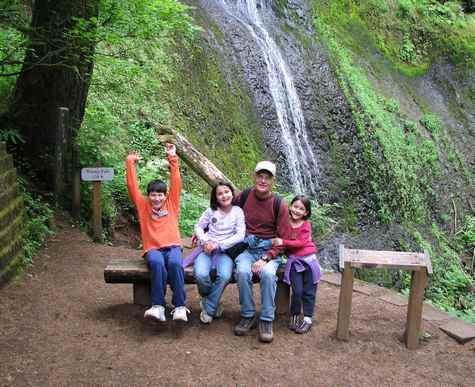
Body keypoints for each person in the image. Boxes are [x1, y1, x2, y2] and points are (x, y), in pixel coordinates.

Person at [126, 143, 189, 323]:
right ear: (149, 196)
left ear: (165, 195)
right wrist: (130, 163)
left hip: (173, 246)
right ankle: (158, 306)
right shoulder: (143, 205)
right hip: (153, 248)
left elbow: (176, 181)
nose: (157, 198)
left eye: (160, 195)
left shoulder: (171, 204)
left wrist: (173, 158)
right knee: (156, 263)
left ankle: (179, 306)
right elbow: (132, 187)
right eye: (153, 195)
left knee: (176, 264)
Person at [233, 161, 290, 343]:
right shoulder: (244, 196)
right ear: (254, 176)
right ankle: (248, 314)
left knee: (267, 274)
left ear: (273, 180)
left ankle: (266, 319)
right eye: (260, 176)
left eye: (267, 177)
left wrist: (265, 258)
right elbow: (227, 213)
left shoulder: (279, 204)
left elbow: (282, 241)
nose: (263, 180)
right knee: (242, 272)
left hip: (270, 252)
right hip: (248, 249)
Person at [192, 181, 246, 324]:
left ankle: (209, 307)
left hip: (225, 252)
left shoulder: (238, 212)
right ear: (215, 197)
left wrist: (220, 245)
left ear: (232, 194)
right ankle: (211, 301)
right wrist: (204, 240)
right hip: (206, 250)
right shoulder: (211, 211)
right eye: (220, 193)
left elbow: (240, 235)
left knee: (225, 275)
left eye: (227, 192)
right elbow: (198, 226)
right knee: (200, 274)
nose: (224, 195)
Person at [272, 195, 320, 333]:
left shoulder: (306, 225)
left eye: (301, 209)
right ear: (290, 206)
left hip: (309, 262)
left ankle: (308, 319)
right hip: (294, 263)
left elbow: (302, 243)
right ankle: (295, 314)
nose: (297, 210)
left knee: (309, 291)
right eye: (295, 206)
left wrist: (283, 242)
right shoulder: (284, 223)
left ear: (306, 212)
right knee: (297, 291)